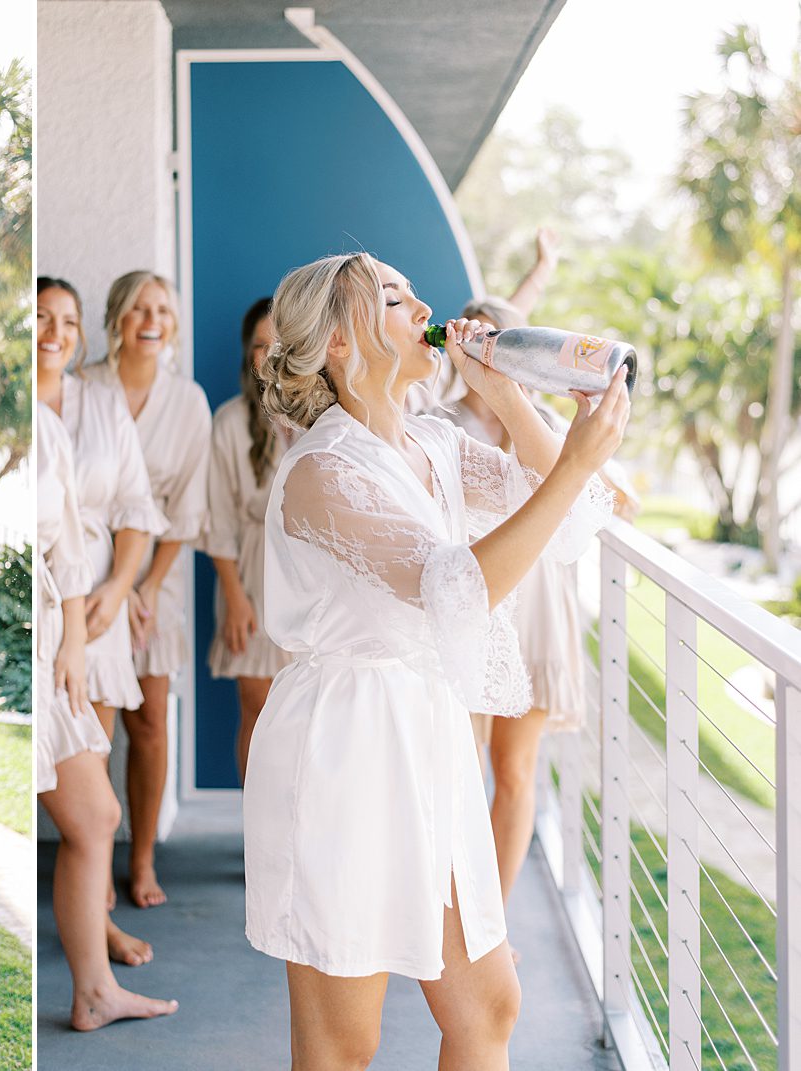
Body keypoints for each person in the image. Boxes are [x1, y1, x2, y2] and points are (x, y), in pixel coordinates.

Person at [243, 252, 626, 1068]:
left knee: (487, 1005)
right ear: (339, 344)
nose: (422, 306)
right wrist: (577, 461)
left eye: (416, 293)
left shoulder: (436, 442)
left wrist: (506, 393)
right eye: (392, 297)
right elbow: (456, 586)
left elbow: (571, 515)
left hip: (430, 738)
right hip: (344, 751)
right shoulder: (320, 471)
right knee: (344, 1044)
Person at [430, 234, 639, 936]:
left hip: (539, 602)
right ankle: (449, 913)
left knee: (516, 773)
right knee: (459, 768)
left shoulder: (545, 423)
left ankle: (493, 923)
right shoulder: (440, 425)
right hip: (477, 596)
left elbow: (617, 500)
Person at [36, 400, 177, 1031]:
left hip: (49, 640)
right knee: (87, 814)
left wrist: (71, 642)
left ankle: (94, 991)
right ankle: (91, 987)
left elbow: (67, 543)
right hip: (15, 626)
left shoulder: (46, 428)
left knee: (96, 814)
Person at [37, 276, 164, 963]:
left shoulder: (100, 400)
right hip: (34, 595)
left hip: (94, 599)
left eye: (67, 321)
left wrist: (116, 592)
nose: (54, 333)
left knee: (93, 765)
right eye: (39, 318)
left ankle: (100, 921)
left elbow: (137, 508)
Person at [85, 271, 210, 909]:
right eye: (139, 308)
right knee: (93, 728)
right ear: (117, 318)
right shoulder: (85, 387)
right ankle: (94, 863)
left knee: (151, 721)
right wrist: (110, 581)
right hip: (88, 569)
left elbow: (187, 508)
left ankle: (141, 860)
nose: (151, 319)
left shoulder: (187, 401)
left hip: (158, 576)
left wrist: (146, 587)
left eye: (162, 309)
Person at [200, 297, 294, 783]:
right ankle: (258, 846)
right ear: (248, 355)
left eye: (280, 342)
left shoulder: (326, 417)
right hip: (251, 577)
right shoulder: (229, 422)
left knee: (308, 716)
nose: (272, 354)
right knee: (256, 709)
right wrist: (235, 599)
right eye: (261, 346)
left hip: (309, 575)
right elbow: (216, 519)